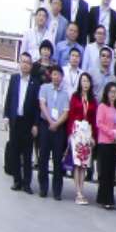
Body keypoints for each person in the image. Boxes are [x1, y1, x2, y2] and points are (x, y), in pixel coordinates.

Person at [2, 53, 39, 193]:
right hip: (15, 121)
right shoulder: (14, 79)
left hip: (28, 123)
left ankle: (27, 184)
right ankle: (17, 181)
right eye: (23, 62)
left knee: (27, 153)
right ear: (20, 63)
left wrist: (35, 124)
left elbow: (36, 107)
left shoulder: (35, 83)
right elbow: (9, 98)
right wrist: (6, 116)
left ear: (31, 66)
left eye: (28, 63)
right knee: (15, 152)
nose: (25, 65)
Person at [35, 65, 71, 200]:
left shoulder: (66, 93)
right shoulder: (44, 88)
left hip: (59, 127)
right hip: (45, 125)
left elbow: (66, 112)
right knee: (43, 157)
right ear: (51, 76)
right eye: (54, 74)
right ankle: (43, 188)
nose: (56, 77)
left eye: (58, 74)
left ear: (62, 77)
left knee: (57, 160)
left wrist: (56, 123)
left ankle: (57, 191)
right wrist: (50, 121)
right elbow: (42, 105)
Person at [66, 73, 97, 205]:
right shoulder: (75, 97)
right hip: (77, 130)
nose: (85, 84)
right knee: (77, 163)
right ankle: (77, 192)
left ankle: (82, 190)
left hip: (88, 132)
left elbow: (94, 119)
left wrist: (94, 136)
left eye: (87, 81)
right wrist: (69, 133)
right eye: (83, 81)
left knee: (84, 164)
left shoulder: (93, 99)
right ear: (80, 83)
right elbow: (71, 115)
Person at [93, 81, 116, 210]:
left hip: (115, 143)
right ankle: (106, 199)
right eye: (111, 92)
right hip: (105, 142)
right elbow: (99, 123)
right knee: (105, 172)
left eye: (115, 92)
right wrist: (111, 133)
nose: (113, 94)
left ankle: (107, 197)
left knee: (112, 172)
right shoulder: (102, 106)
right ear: (107, 93)